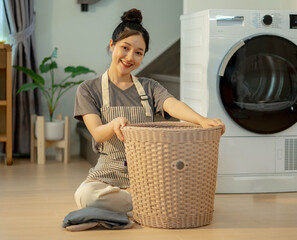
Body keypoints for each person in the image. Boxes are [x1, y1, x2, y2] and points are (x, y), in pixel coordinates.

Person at [73, 8, 225, 214]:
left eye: (138, 53)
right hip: (108, 170)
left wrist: (201, 120)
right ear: (112, 45)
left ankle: (132, 201)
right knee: (84, 196)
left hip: (147, 171)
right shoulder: (89, 89)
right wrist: (114, 123)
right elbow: (98, 134)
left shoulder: (149, 87)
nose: (130, 57)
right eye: (125, 48)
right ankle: (144, 201)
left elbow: (172, 104)